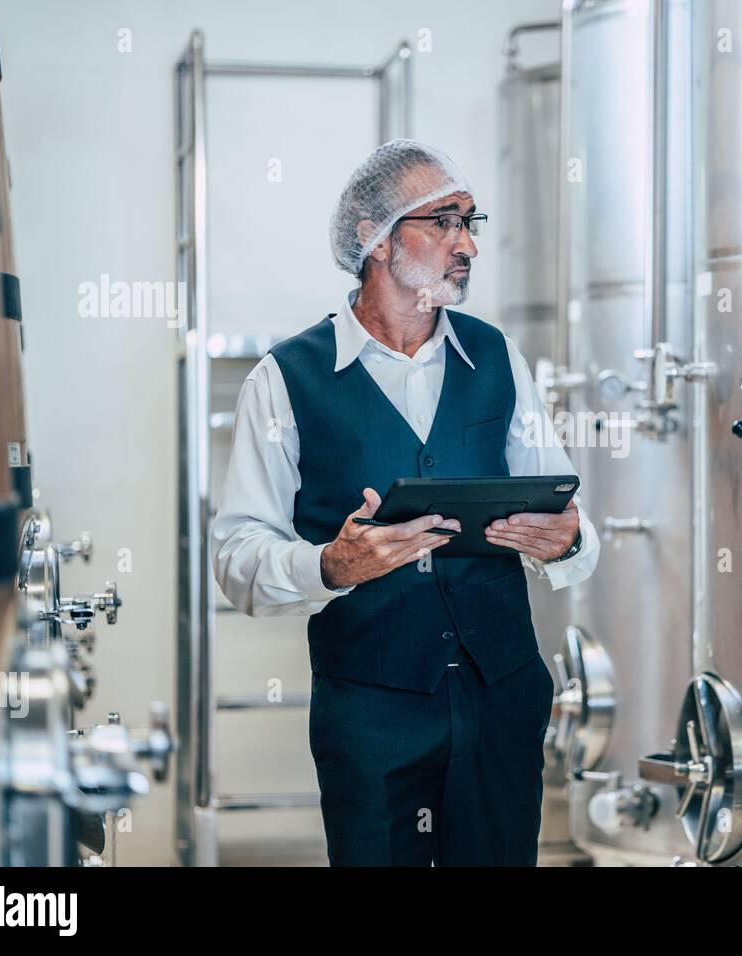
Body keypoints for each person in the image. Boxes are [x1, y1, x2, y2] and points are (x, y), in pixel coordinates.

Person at [211, 139, 599, 866]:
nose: (467, 245)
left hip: (500, 699)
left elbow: (571, 515)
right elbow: (237, 557)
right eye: (444, 222)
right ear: (374, 239)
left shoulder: (497, 356)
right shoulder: (285, 379)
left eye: (470, 221)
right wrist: (330, 564)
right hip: (372, 713)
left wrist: (568, 540)